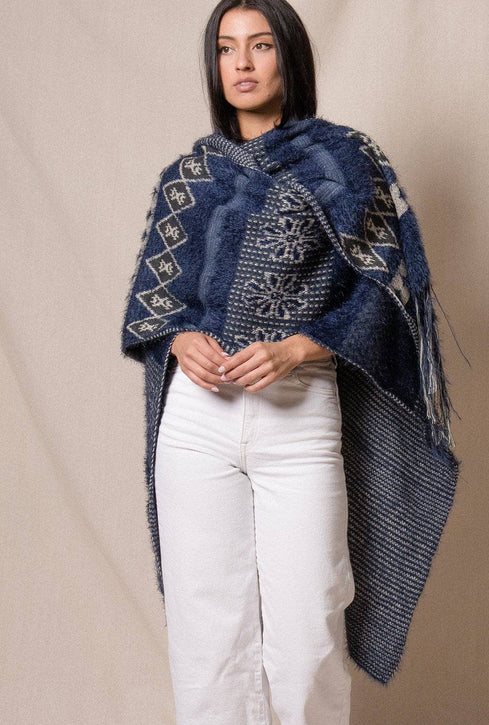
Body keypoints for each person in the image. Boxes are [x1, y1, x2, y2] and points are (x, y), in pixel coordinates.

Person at [120, 0, 460, 723]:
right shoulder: (189, 176)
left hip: (298, 414)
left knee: (308, 635)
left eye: (261, 45)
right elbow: (156, 304)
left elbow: (386, 291)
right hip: (197, 422)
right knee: (209, 641)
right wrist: (178, 338)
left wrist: (301, 346)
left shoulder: (344, 163)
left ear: (290, 56)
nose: (242, 63)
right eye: (226, 48)